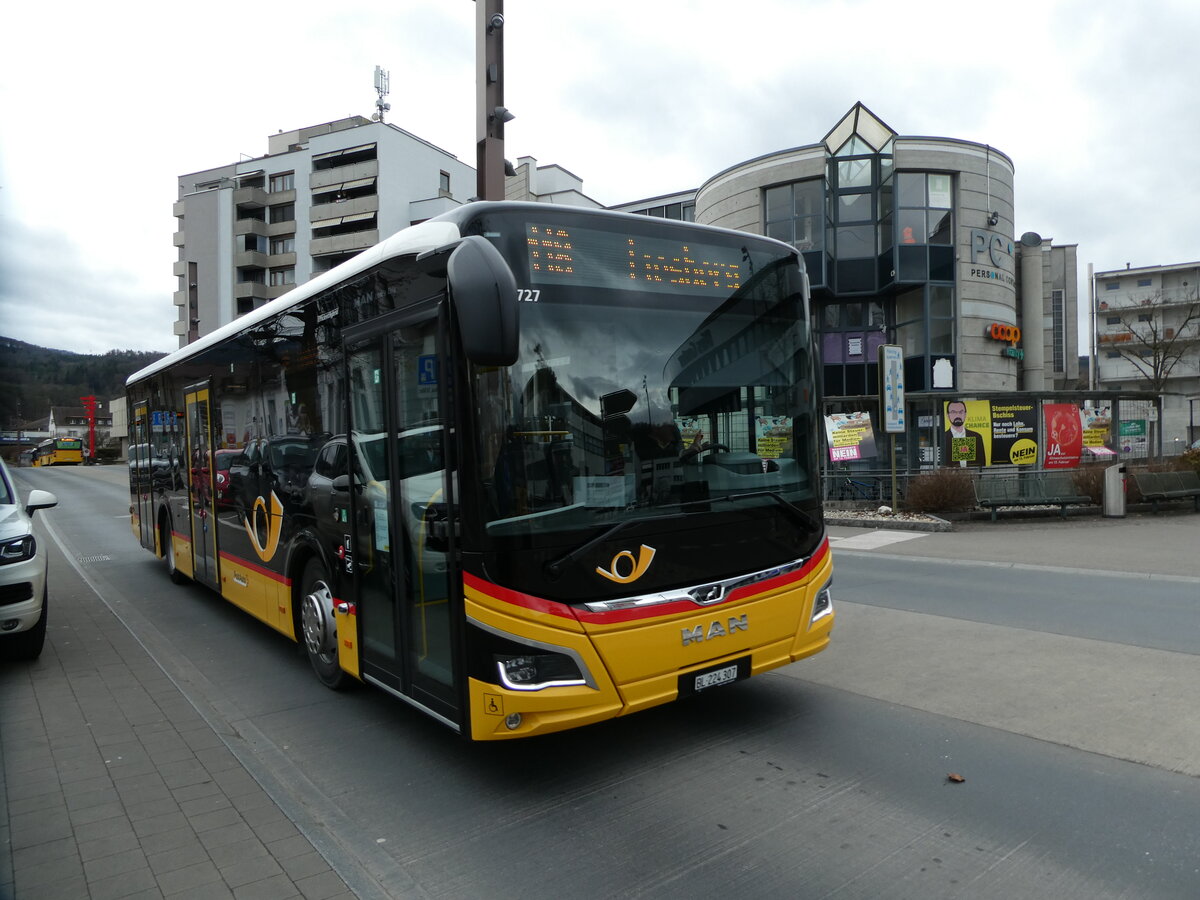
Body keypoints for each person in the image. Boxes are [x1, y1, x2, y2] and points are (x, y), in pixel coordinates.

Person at [943, 400, 987, 467]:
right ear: (948, 415)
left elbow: (982, 462)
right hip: (951, 476)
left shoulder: (976, 437)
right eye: (953, 412)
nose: (957, 415)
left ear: (965, 414)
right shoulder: (942, 437)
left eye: (961, 412)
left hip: (972, 475)